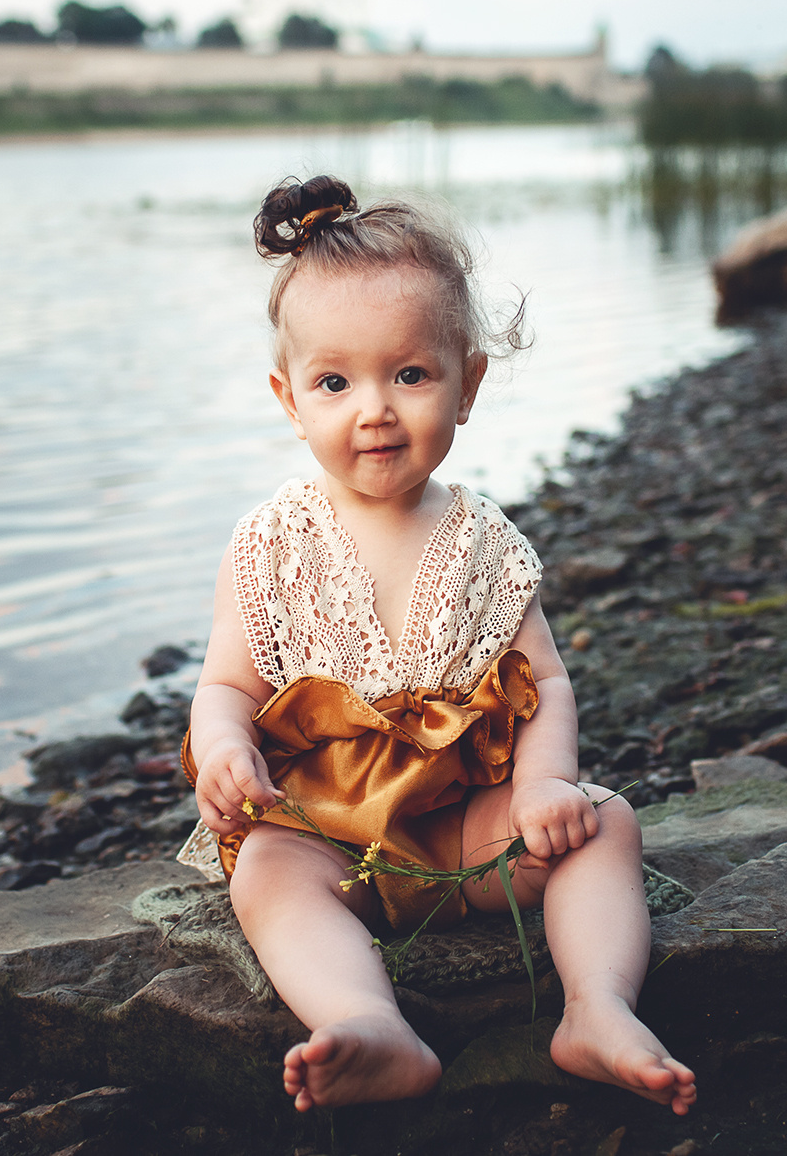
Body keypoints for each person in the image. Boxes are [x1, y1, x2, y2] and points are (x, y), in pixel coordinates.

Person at [179, 174, 696, 1114]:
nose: (373, 408)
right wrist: (223, 746)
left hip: (466, 830)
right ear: (289, 398)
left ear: (468, 383)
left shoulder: (483, 541)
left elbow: (544, 679)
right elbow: (226, 684)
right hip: (330, 834)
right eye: (335, 382)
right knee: (267, 871)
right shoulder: (271, 545)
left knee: (603, 819)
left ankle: (597, 1006)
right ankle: (366, 1020)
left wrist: (542, 784)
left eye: (409, 374)